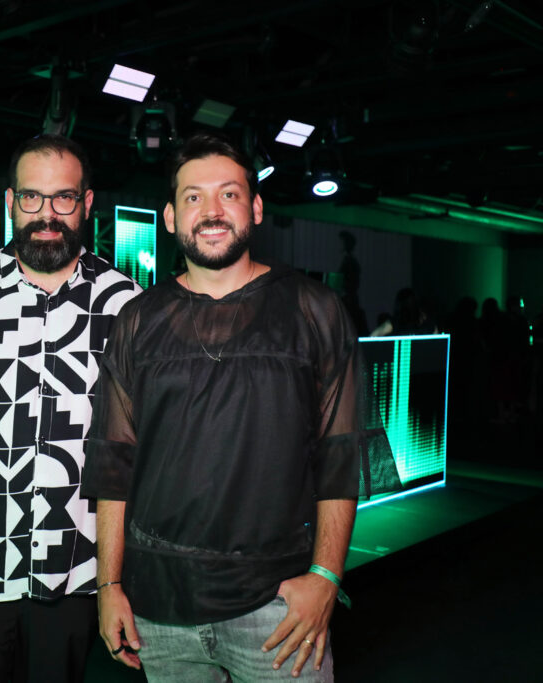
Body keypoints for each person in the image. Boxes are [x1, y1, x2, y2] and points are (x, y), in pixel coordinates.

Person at [84, 133, 399, 681]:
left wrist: (326, 577)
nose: (211, 211)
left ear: (255, 208)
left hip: (277, 609)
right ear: (170, 217)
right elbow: (114, 464)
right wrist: (109, 585)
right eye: (193, 197)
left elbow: (341, 455)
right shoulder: (137, 320)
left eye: (228, 194)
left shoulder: (314, 310)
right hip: (160, 609)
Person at [0, 134, 141, 682]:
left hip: (74, 571)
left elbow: (134, 447)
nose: (47, 214)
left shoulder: (126, 304)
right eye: (32, 197)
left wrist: (118, 573)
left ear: (87, 204)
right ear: (10, 201)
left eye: (64, 198)